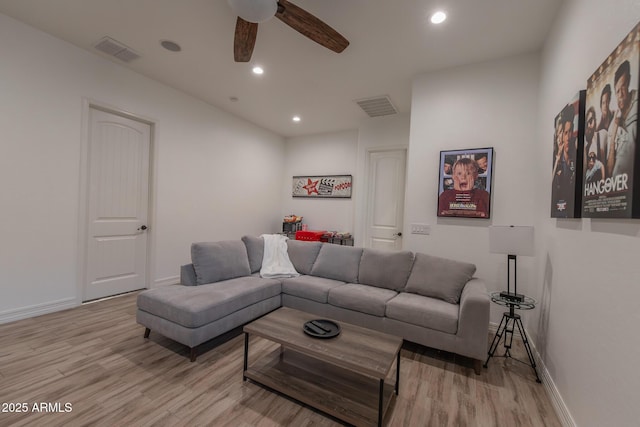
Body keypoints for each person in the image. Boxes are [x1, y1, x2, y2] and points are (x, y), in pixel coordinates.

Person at [607, 60, 637, 178]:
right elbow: (609, 171)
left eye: (623, 87)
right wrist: (615, 129)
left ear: (629, 81)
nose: (621, 95)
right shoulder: (614, 125)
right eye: (617, 91)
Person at [551, 104, 577, 215]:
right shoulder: (556, 159)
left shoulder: (575, 154)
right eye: (565, 133)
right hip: (559, 210)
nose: (568, 137)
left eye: (570, 132)